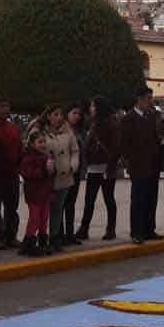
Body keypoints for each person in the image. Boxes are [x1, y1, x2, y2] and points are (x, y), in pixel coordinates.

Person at [75, 97, 120, 241]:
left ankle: (110, 229)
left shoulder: (110, 124)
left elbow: (115, 147)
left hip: (106, 167)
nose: (91, 109)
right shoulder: (94, 123)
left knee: (108, 199)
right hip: (94, 167)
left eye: (93, 106)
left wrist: (110, 166)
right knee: (90, 200)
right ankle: (84, 228)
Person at [123, 87, 163, 244]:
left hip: (153, 165)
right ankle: (137, 232)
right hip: (138, 166)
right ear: (139, 99)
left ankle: (149, 229)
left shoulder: (152, 116)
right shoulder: (128, 119)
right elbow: (125, 145)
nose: (150, 102)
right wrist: (130, 164)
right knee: (138, 200)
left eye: (151, 98)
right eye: (147, 98)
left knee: (151, 199)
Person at [42, 106, 79, 252]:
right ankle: (42, 238)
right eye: (55, 114)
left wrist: (72, 166)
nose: (59, 117)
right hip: (46, 178)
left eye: (60, 114)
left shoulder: (68, 132)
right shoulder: (40, 131)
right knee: (44, 210)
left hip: (65, 177)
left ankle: (55, 238)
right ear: (49, 116)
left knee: (58, 209)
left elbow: (75, 151)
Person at [0, 97, 22, 249]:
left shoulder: (13, 127)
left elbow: (20, 147)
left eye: (8, 106)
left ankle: (11, 236)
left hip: (12, 173)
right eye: (2, 106)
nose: (6, 109)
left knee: (12, 208)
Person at [18, 130, 54, 255]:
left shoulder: (46, 157)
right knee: (35, 218)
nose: (43, 144)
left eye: (44, 141)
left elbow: (50, 176)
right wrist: (44, 170)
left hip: (45, 193)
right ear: (32, 144)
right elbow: (28, 173)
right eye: (40, 142)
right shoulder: (28, 157)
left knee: (44, 218)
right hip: (34, 194)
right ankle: (29, 243)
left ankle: (43, 241)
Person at [62, 103, 86, 245]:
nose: (77, 116)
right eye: (74, 113)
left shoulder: (78, 131)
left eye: (79, 114)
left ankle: (69, 234)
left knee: (70, 204)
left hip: (75, 172)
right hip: (65, 172)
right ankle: (59, 235)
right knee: (62, 204)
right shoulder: (63, 130)